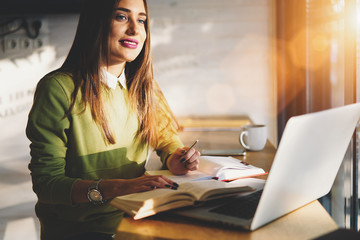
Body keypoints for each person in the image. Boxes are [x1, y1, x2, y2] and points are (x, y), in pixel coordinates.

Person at [26, 0, 200, 239]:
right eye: (121, 16)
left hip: (136, 222)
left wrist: (175, 157)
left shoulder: (145, 88)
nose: (135, 30)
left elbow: (167, 139)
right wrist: (121, 187)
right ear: (96, 23)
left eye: (141, 20)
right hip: (80, 231)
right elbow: (47, 185)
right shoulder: (58, 88)